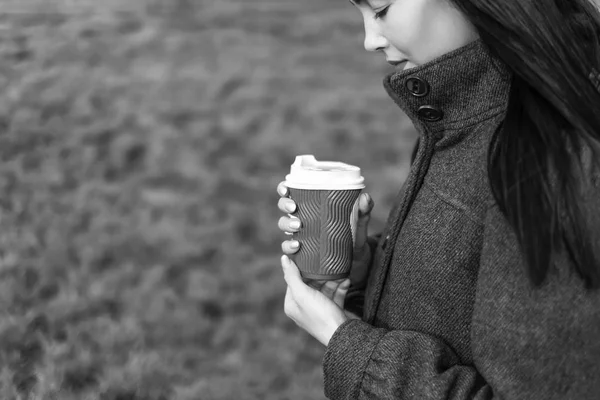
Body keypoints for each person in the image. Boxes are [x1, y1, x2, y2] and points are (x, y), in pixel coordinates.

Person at [276, 0, 600, 398]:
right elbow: (469, 296)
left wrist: (348, 342)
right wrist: (368, 271)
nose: (369, 40)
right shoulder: (465, 118)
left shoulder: (552, 161)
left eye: (380, 10)